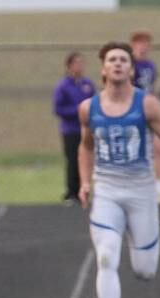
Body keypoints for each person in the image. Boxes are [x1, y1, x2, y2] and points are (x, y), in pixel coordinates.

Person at [78, 41, 160, 298]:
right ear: (103, 68)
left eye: (123, 59)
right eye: (111, 59)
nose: (117, 64)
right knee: (106, 255)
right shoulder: (89, 108)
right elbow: (85, 146)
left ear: (131, 68)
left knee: (144, 270)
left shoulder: (147, 104)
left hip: (141, 191)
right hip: (108, 191)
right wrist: (85, 182)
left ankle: (134, 237)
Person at [130, 29, 160, 205]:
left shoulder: (150, 66)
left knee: (156, 148)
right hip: (133, 112)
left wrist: (158, 108)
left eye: (146, 45)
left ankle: (158, 187)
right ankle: (136, 187)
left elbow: (153, 89)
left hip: (149, 110)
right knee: (134, 150)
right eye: (140, 44)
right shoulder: (129, 65)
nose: (143, 48)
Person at [52, 51, 96, 204]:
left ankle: (85, 190)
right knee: (73, 160)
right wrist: (78, 110)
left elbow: (95, 103)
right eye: (76, 63)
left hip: (87, 129)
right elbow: (58, 109)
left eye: (81, 63)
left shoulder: (88, 84)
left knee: (88, 159)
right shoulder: (63, 86)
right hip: (70, 129)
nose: (79, 66)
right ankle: (71, 193)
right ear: (69, 65)